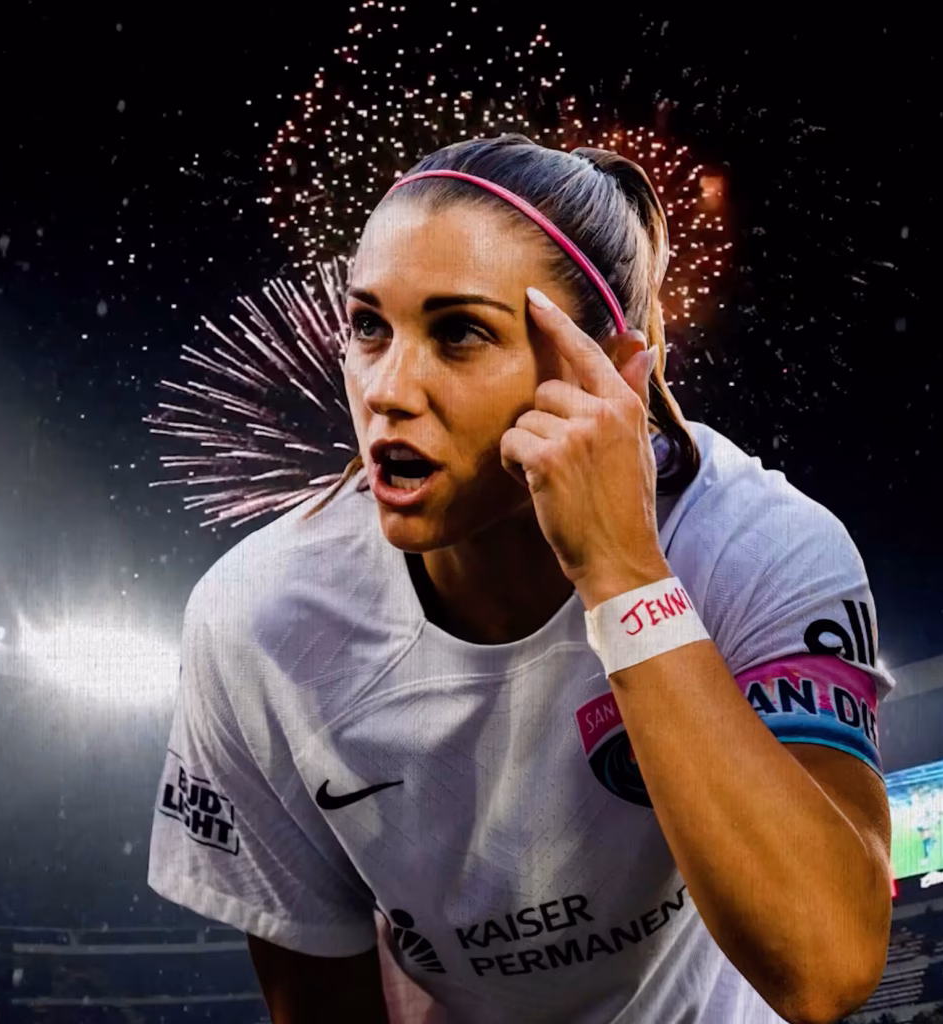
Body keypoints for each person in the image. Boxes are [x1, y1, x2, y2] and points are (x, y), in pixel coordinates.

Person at [147, 133, 896, 1023]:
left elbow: (826, 963)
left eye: (459, 333)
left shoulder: (754, 545)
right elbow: (318, 1004)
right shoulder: (258, 621)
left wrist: (622, 574)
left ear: (610, 367)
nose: (387, 388)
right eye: (368, 328)